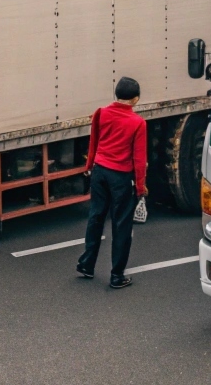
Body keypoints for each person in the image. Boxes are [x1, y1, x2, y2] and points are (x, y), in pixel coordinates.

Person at [77, 77, 148, 289]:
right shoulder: (138, 123)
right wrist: (141, 186)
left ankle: (87, 264)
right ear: (135, 99)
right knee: (121, 225)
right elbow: (139, 160)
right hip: (121, 177)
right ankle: (117, 276)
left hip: (99, 171)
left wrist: (89, 165)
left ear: (116, 95)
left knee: (96, 217)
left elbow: (94, 142)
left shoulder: (101, 113)